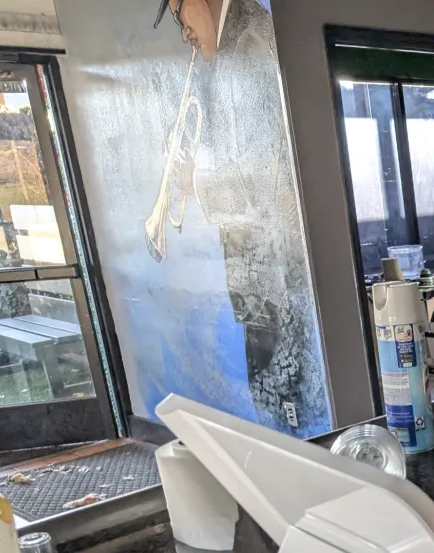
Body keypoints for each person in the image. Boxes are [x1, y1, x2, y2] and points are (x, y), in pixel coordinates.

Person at [151, 0, 326, 434]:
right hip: (263, 284)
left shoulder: (248, 44)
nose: (184, 32)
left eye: (178, 15)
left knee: (286, 412)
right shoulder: (236, 44)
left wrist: (195, 181)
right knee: (277, 406)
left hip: (274, 278)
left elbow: (264, 178)